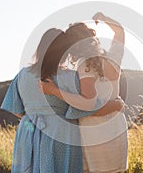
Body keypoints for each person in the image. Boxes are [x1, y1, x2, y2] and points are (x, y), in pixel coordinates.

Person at [0, 27, 124, 173]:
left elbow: (15, 109)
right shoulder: (69, 77)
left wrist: (33, 117)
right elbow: (88, 107)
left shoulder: (21, 75)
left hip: (27, 133)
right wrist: (115, 105)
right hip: (60, 133)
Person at [40, 13, 128, 173]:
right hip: (117, 126)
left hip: (96, 130)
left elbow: (89, 104)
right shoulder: (113, 58)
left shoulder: (85, 64)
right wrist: (103, 17)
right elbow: (120, 31)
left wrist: (53, 90)